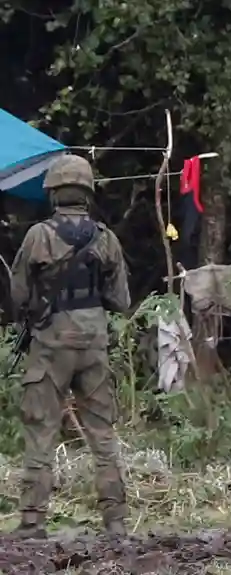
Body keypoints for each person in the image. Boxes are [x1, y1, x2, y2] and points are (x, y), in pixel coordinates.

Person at [10, 154, 131, 539]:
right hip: (94, 344)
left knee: (41, 428)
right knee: (102, 432)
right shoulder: (106, 238)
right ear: (87, 193)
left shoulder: (38, 236)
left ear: (53, 193)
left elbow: (17, 295)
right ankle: (116, 521)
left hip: (51, 343)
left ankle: (33, 520)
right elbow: (121, 300)